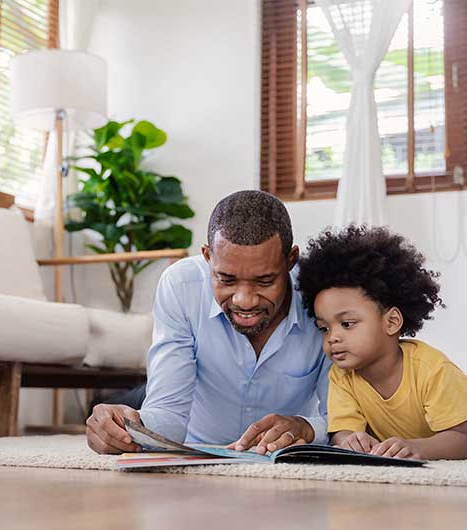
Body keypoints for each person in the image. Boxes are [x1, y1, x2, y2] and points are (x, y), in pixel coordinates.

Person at [86, 190, 330, 455]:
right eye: (226, 279)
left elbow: (344, 422)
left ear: (290, 261)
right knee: (125, 402)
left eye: (264, 281)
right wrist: (125, 424)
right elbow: (168, 414)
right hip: (196, 439)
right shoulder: (181, 286)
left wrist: (306, 427)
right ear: (207, 256)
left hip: (276, 456)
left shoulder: (323, 296)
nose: (244, 301)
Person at [296, 225, 467, 460]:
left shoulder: (433, 369)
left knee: (455, 397)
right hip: (431, 405)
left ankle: (466, 391)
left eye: (347, 324)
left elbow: (460, 441)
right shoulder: (342, 376)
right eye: (324, 328)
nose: (333, 337)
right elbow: (343, 431)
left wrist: (418, 448)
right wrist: (350, 440)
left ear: (391, 321)